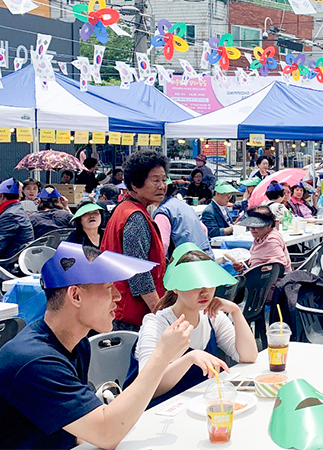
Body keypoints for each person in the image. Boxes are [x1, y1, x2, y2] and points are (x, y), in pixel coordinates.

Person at [0, 242, 194, 450]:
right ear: (75, 295)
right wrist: (161, 356)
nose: (117, 297)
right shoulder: (34, 360)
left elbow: (83, 426)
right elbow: (106, 433)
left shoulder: (77, 345)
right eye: (109, 288)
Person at [129, 243, 258, 405]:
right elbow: (148, 388)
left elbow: (248, 356)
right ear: (175, 288)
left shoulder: (211, 315)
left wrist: (236, 312)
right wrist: (189, 358)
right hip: (159, 414)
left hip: (200, 406)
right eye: (194, 284)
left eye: (209, 283)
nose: (205, 292)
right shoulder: (156, 323)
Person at [101, 149, 169, 331]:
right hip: (131, 315)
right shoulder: (135, 217)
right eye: (155, 180)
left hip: (119, 307)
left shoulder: (125, 209)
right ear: (135, 185)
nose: (162, 186)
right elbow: (138, 274)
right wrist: (161, 315)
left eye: (164, 179)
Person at [154, 179, 213, 258]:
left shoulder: (163, 212)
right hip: (205, 256)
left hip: (186, 263)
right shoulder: (185, 206)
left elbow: (163, 245)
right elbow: (204, 229)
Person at [237, 207, 292, 274]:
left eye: (257, 226)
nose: (252, 229)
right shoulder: (260, 237)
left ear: (269, 225)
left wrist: (254, 271)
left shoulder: (271, 240)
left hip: (271, 282)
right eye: (250, 225)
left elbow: (278, 267)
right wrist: (242, 264)